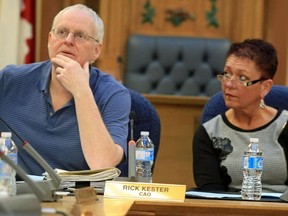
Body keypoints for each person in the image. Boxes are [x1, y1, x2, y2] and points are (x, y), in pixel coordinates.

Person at [0, 4, 131, 176]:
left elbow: (102, 164)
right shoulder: (9, 80)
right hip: (14, 196)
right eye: (61, 32)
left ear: (96, 51)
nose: (68, 40)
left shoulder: (114, 95)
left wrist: (81, 91)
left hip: (79, 200)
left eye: (80, 35)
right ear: (49, 40)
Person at [193, 38, 288, 193]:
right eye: (227, 74)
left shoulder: (285, 126)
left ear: (265, 87)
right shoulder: (208, 133)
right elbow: (210, 195)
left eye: (242, 78)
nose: (229, 84)